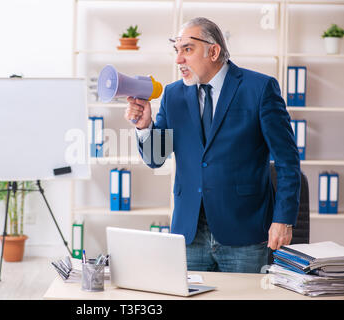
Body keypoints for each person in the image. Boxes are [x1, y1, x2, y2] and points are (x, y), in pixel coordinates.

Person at [125, 17, 301, 273]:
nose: (178, 60)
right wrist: (144, 126)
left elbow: (287, 161)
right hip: (189, 232)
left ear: (214, 51)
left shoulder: (259, 89)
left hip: (245, 232)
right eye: (176, 50)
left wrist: (283, 219)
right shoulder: (173, 95)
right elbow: (156, 158)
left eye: (187, 49)